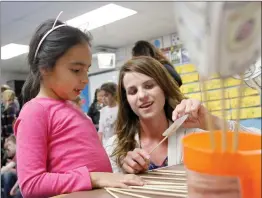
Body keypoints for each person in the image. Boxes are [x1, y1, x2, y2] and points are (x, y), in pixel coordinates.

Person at [14, 19, 144, 198]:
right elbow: (31, 184)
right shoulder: (34, 112)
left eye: (87, 70)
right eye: (76, 70)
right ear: (45, 68)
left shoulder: (73, 108)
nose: (85, 79)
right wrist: (94, 178)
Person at [105, 56, 260, 174]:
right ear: (127, 100)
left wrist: (211, 122)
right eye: (132, 91)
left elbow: (256, 144)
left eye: (149, 86)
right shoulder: (115, 147)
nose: (141, 95)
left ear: (164, 88)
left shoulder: (194, 134)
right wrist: (123, 173)